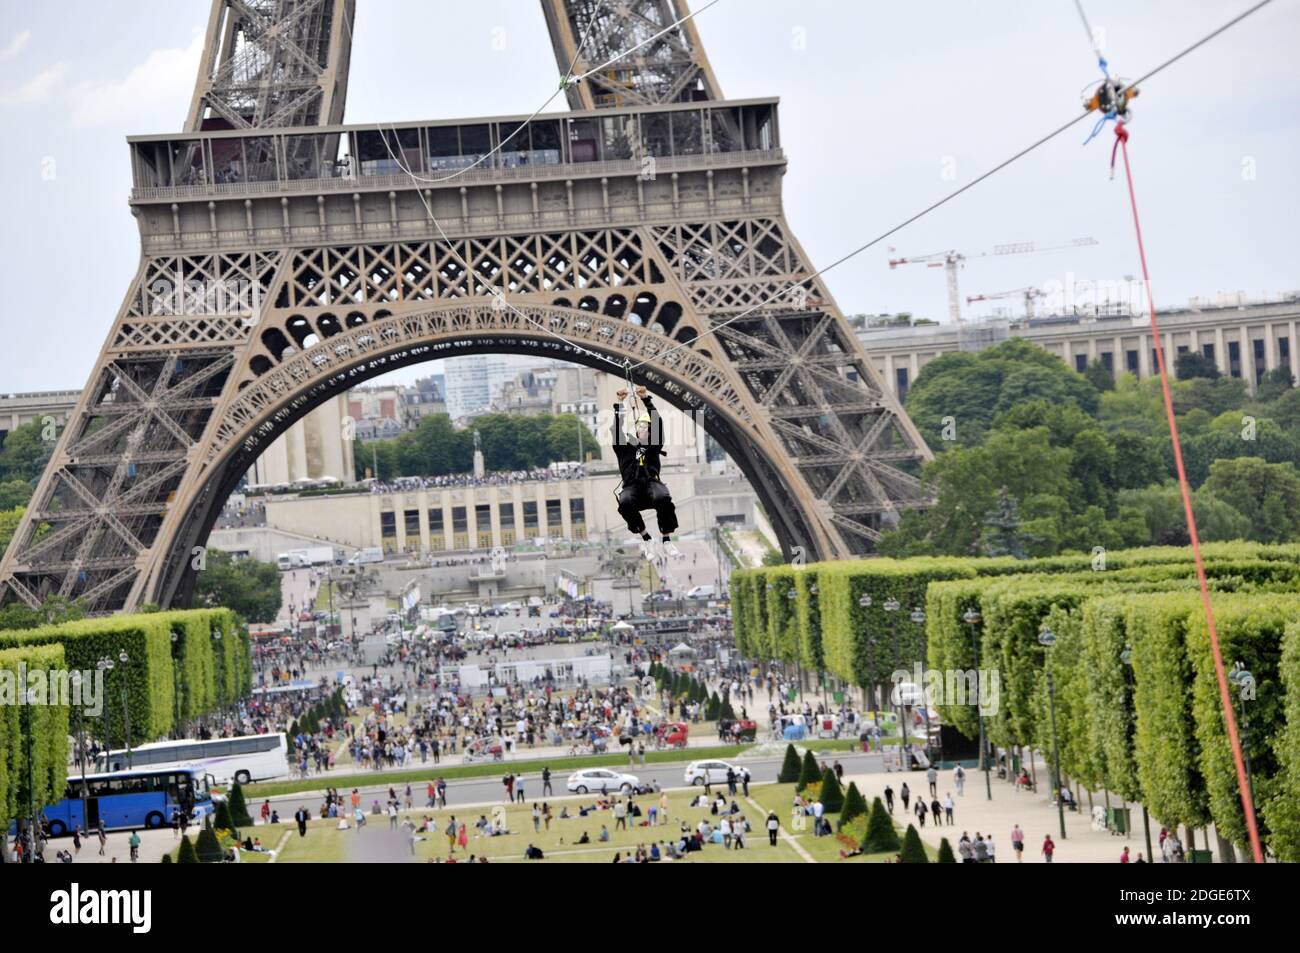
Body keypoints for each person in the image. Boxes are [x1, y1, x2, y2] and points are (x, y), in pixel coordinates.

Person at [612, 385, 679, 560]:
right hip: (631, 485)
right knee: (624, 502)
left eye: (647, 427)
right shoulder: (624, 447)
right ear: (636, 429)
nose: (644, 429)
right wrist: (620, 403)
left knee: (662, 497)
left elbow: (658, 424)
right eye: (641, 426)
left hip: (651, 482)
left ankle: (666, 539)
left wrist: (646, 400)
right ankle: (646, 538)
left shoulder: (653, 446)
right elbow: (616, 429)